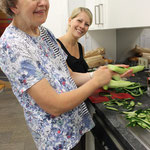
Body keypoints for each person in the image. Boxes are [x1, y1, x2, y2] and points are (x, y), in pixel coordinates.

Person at [0, 0, 133, 150]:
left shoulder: (44, 33)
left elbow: (67, 75)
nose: (43, 3)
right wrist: (96, 82)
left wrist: (100, 73)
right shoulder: (12, 45)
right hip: (57, 139)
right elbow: (54, 106)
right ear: (13, 6)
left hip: (74, 125)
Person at [57, 7, 92, 73]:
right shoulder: (56, 45)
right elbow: (66, 78)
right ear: (70, 21)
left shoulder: (80, 48)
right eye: (79, 21)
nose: (82, 26)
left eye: (86, 24)